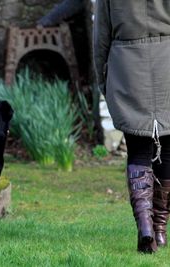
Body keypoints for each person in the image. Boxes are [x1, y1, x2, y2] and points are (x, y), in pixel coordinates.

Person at [93, 0, 170, 253]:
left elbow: (101, 34)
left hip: (127, 64)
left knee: (138, 150)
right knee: (168, 149)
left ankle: (145, 226)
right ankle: (159, 231)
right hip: (167, 60)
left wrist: (103, 78)